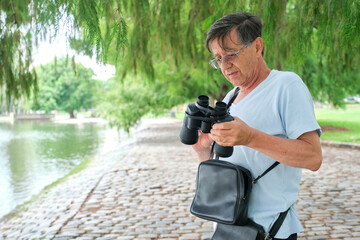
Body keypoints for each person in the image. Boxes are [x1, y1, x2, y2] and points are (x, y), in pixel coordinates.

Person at [192, 12, 322, 240]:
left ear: (257, 46)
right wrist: (203, 151)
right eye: (218, 59)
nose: (225, 65)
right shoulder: (231, 97)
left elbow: (313, 157)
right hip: (227, 228)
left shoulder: (287, 85)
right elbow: (226, 168)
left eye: (231, 54)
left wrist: (250, 137)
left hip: (269, 231)